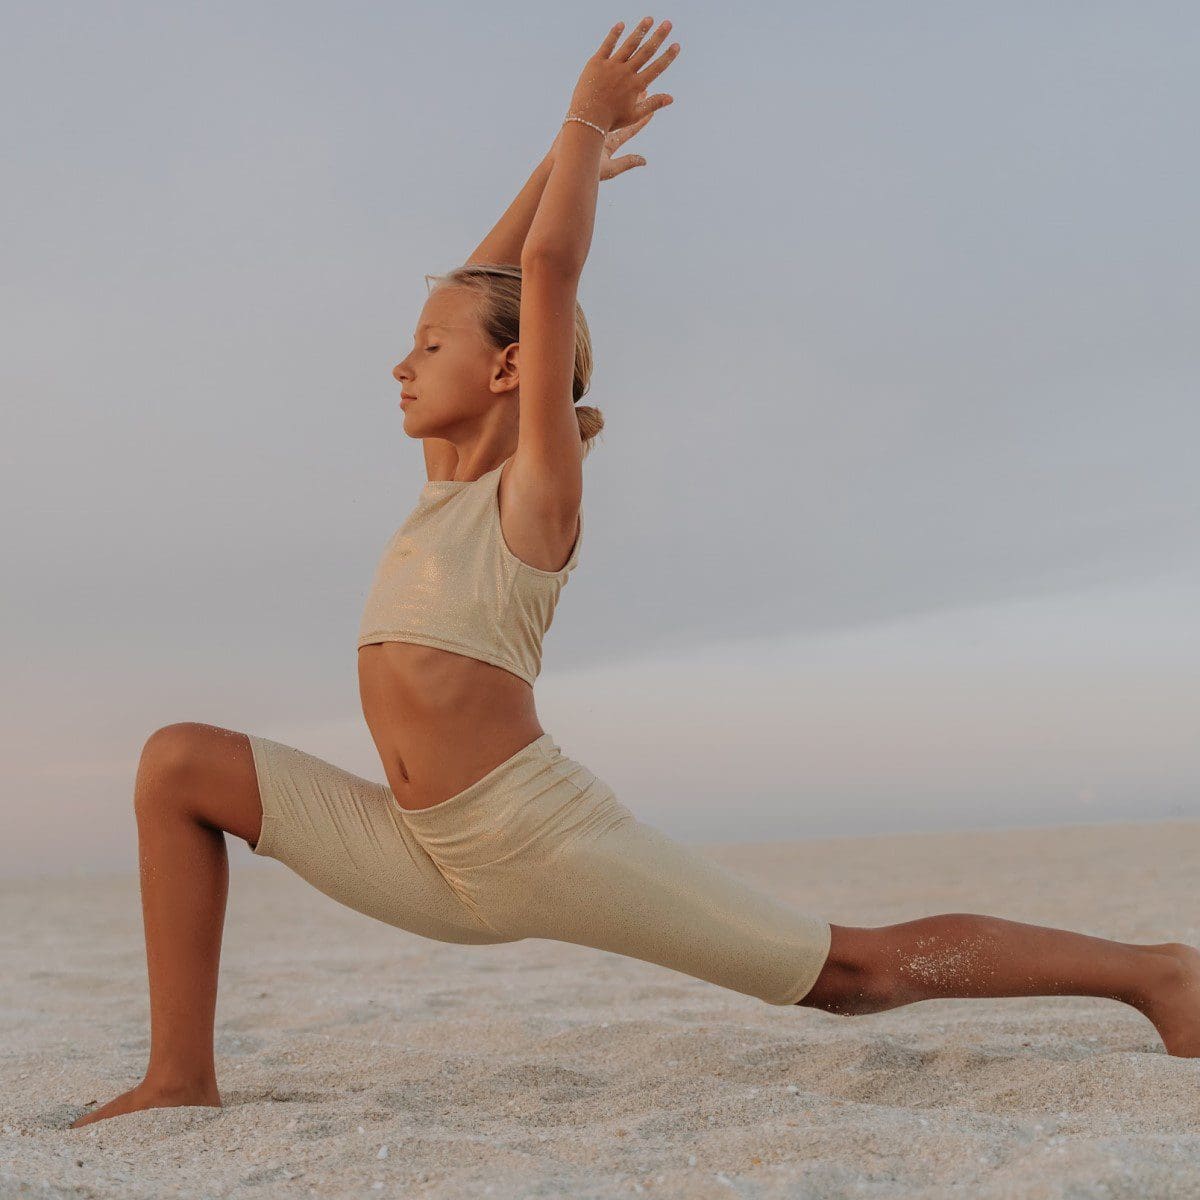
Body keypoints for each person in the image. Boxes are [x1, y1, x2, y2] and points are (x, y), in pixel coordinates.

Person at [71, 17, 1198, 1129]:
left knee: (855, 977)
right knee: (179, 764)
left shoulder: (534, 495)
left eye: (428, 348)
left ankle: (1156, 973)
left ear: (514, 369)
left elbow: (543, 273)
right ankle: (181, 1074)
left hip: (539, 844)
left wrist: (582, 121)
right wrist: (562, 166)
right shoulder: (444, 479)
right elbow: (493, 277)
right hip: (416, 851)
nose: (400, 362)